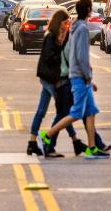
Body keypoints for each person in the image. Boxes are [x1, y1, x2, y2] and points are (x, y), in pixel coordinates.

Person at [37, 0, 108, 159]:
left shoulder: (76, 27)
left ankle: (92, 147)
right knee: (76, 113)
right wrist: (88, 76)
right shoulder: (82, 29)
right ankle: (47, 134)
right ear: (89, 10)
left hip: (79, 76)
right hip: (80, 77)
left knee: (90, 112)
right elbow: (82, 56)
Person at [28, 9, 83, 157]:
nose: (67, 25)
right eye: (65, 22)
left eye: (69, 23)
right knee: (63, 112)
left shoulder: (61, 36)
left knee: (43, 110)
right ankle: (52, 145)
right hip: (50, 78)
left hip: (50, 78)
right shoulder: (50, 37)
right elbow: (51, 57)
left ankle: (32, 142)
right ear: (59, 22)